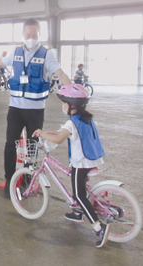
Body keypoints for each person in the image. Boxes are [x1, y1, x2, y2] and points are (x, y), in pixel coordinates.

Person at [0, 18, 72, 197]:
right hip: (15, 108)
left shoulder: (47, 54)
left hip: (35, 111)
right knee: (10, 145)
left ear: (39, 35)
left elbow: (60, 73)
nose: (31, 37)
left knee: (32, 146)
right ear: (23, 34)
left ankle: (29, 181)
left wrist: (70, 95)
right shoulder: (15, 52)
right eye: (28, 34)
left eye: (34, 35)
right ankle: (10, 180)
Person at [32, 84, 110, 248]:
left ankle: (98, 227)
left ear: (69, 105)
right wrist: (52, 132)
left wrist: (42, 133)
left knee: (80, 194)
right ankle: (78, 213)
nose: (62, 105)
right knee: (78, 187)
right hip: (93, 158)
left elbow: (59, 139)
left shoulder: (71, 123)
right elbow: (64, 132)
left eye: (63, 102)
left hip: (81, 162)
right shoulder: (85, 117)